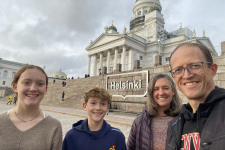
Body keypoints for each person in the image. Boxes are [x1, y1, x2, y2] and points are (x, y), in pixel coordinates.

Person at [166, 43, 225, 149]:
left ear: (212, 70)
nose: (187, 75)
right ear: (173, 77)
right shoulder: (174, 125)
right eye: (178, 70)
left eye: (195, 66)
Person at [0, 65, 63, 150]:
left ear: (45, 89)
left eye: (40, 84)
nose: (33, 89)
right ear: (15, 87)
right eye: (26, 82)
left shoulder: (54, 126)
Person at [127, 74, 181, 150]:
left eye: (165, 88)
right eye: (156, 89)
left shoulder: (183, 120)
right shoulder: (139, 122)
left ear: (173, 91)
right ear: (151, 93)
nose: (161, 93)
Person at [62, 86, 127, 150]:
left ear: (108, 107)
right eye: (93, 103)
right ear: (85, 106)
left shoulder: (117, 136)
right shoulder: (71, 136)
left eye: (103, 104)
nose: (98, 108)